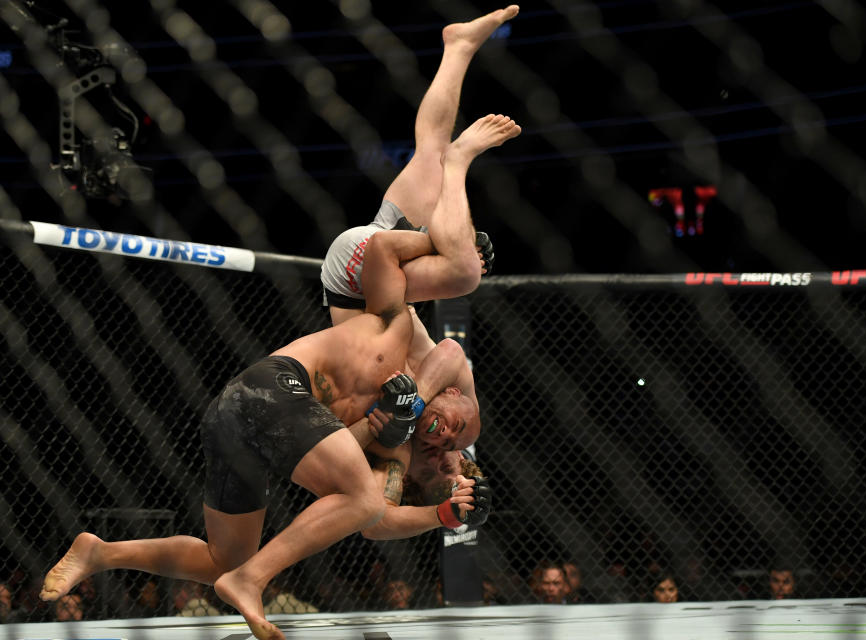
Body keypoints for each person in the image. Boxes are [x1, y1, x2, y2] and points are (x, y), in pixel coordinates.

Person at [39, 173, 494, 639]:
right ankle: (250, 580)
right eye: (450, 448)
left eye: (433, 464)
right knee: (357, 498)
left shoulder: (381, 445)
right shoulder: (393, 323)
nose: (440, 447)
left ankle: (101, 553)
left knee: (224, 557)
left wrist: (443, 513)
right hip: (271, 388)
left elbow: (378, 520)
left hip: (234, 423)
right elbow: (384, 255)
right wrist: (440, 242)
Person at [321, 5, 521, 326]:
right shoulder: (394, 337)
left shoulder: (381, 340)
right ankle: (459, 49)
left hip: (373, 249)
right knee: (434, 153)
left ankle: (459, 49)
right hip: (374, 249)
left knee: (463, 268)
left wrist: (461, 244)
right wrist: (461, 243)